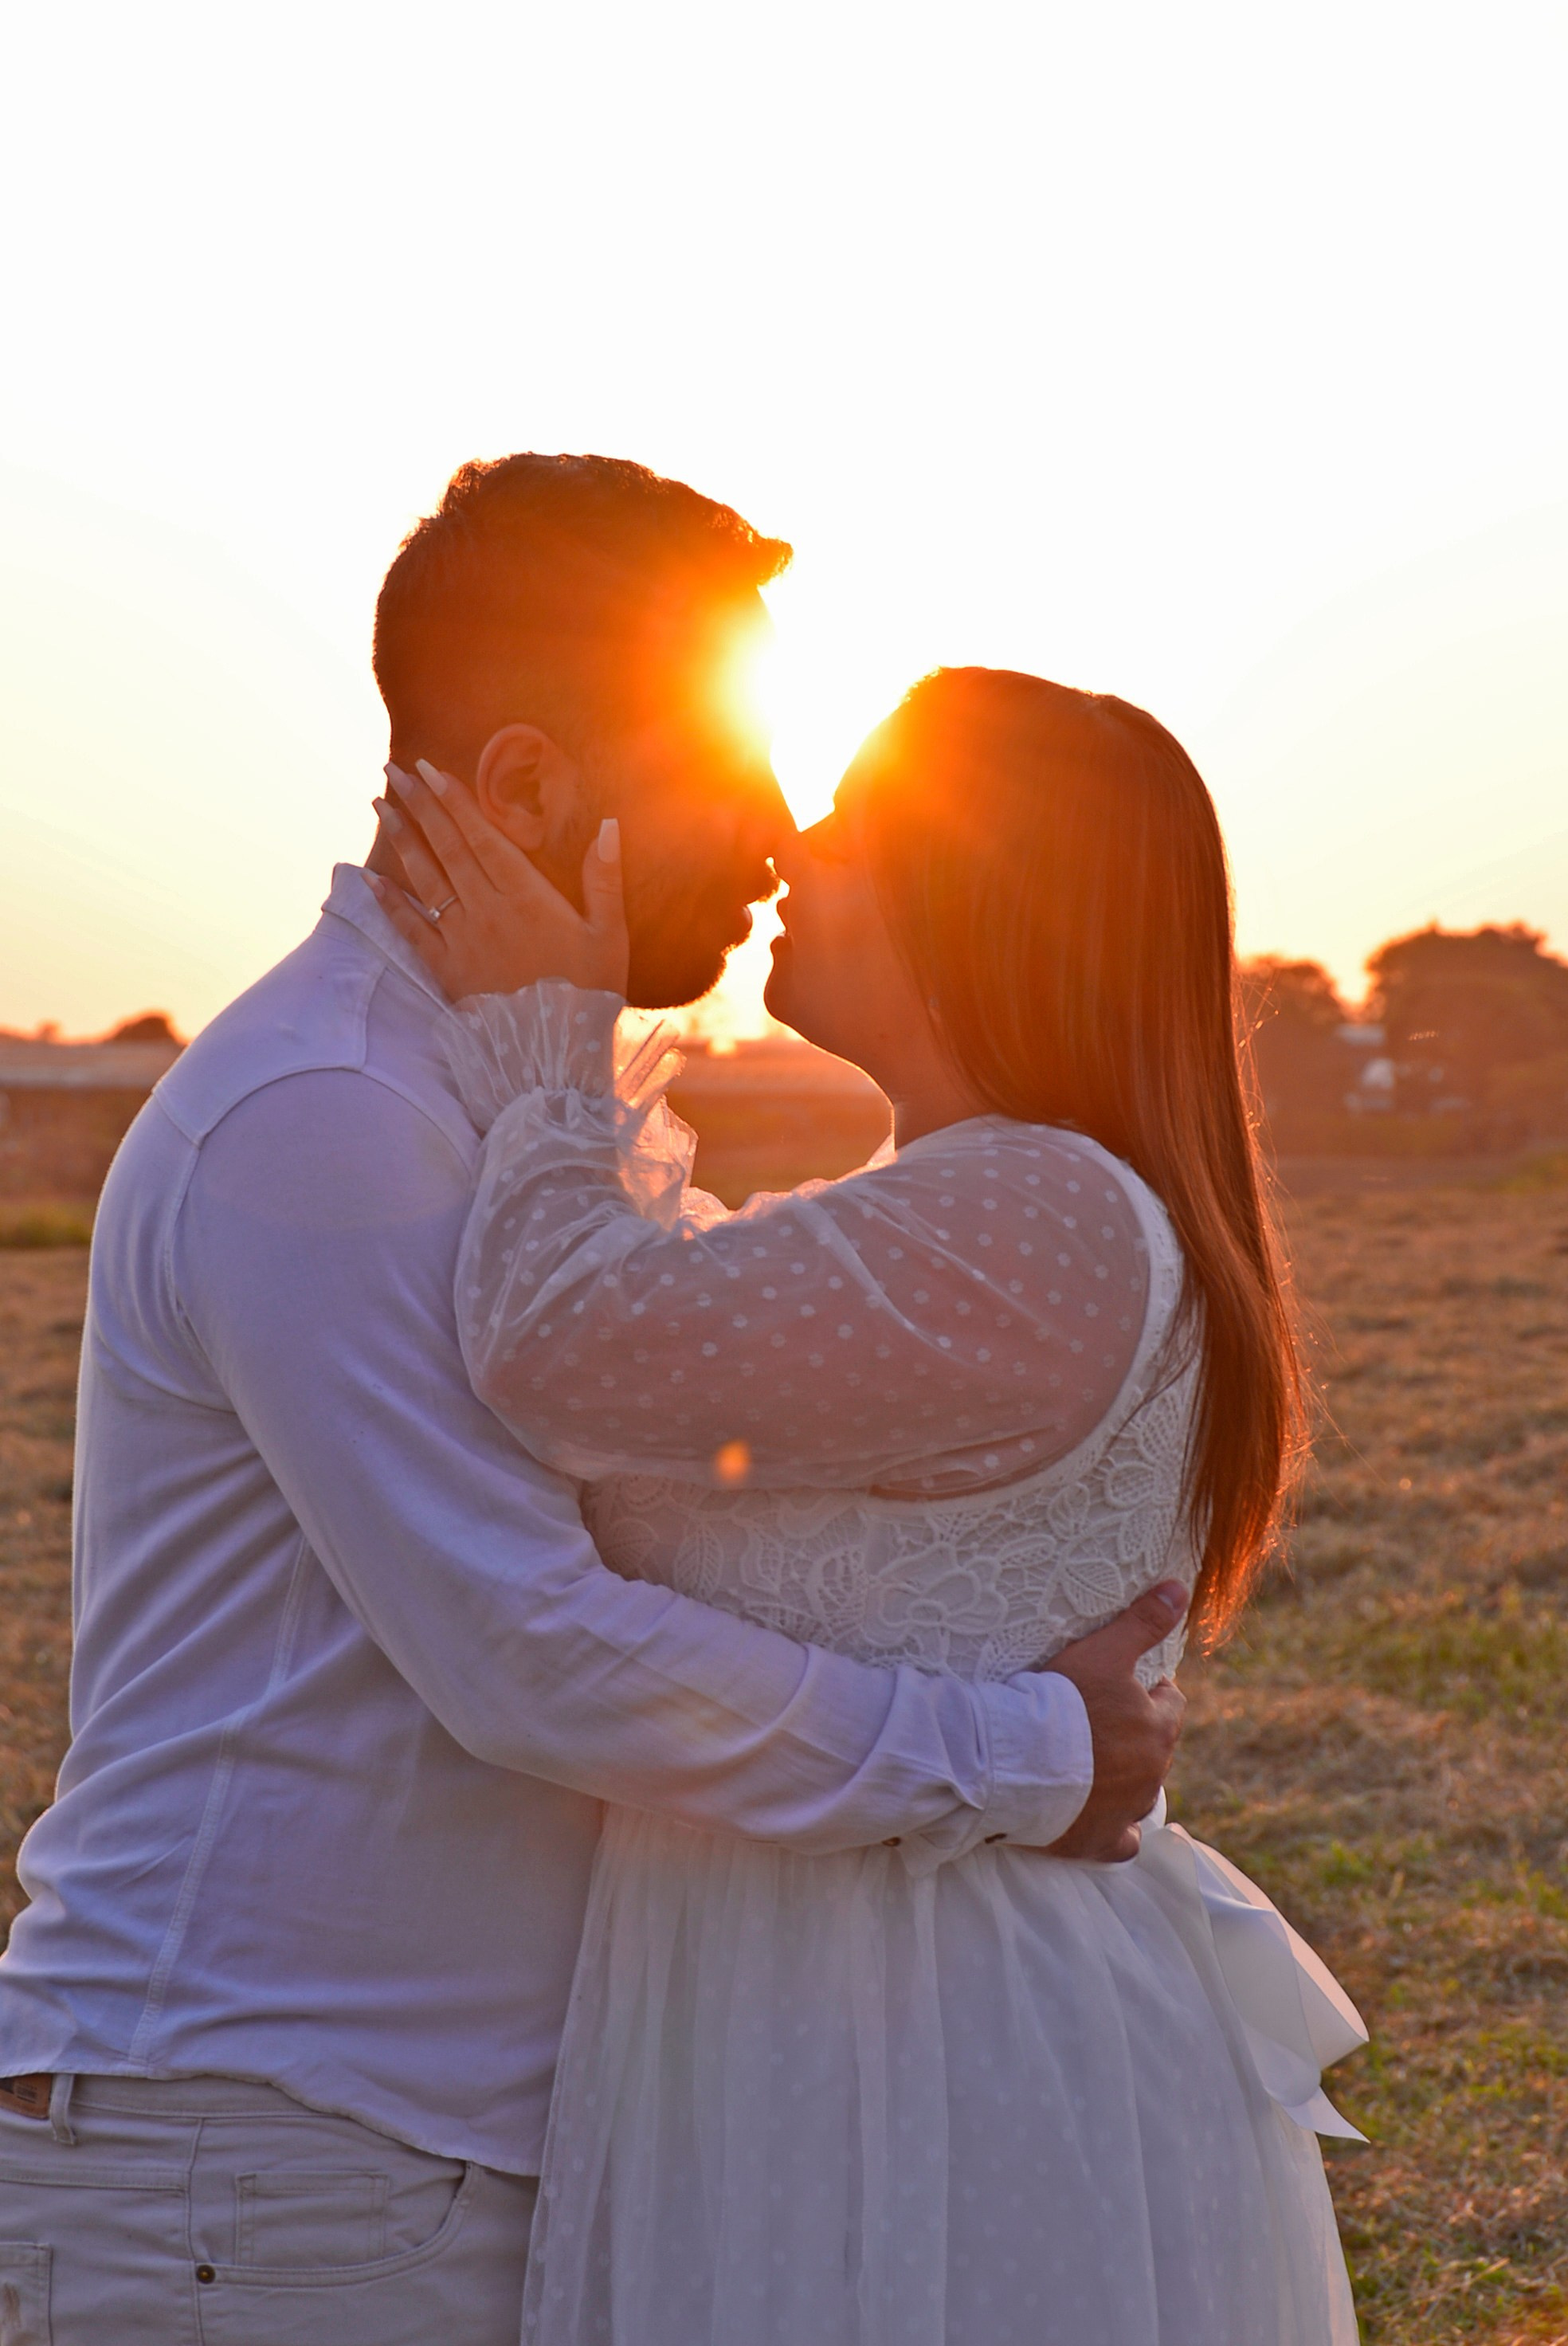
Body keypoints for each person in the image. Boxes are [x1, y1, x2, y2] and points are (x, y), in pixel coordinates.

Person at [0, 457, 1182, 2345]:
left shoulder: (525, 1104)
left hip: (389, 2155)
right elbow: (526, 1652)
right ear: (540, 788)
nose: (786, 830)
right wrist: (1030, 1752)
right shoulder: (333, 1118)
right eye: (731, 768)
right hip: (262, 2160)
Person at [373, 665, 1367, 2345]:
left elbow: (556, 1344)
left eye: (847, 818)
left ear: (972, 884)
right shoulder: (968, 1205)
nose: (792, 846)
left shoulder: (1036, 1207)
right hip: (842, 1994)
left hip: (922, 2035)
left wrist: (550, 1025)